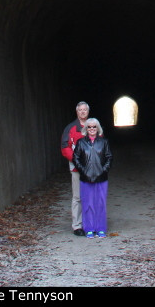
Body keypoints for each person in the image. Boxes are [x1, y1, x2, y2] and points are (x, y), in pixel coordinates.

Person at [71, 117, 112, 238]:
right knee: (88, 203)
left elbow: (109, 157)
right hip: (86, 178)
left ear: (98, 128)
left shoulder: (104, 142)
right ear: (86, 129)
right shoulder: (81, 142)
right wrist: (83, 171)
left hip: (101, 178)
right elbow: (76, 158)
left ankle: (100, 228)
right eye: (89, 127)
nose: (92, 129)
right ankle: (89, 228)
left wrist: (103, 170)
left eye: (94, 127)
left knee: (100, 203)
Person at [60, 101, 90, 236]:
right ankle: (77, 226)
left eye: (85, 110)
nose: (83, 112)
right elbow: (65, 147)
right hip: (77, 167)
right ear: (77, 112)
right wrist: (77, 161)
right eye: (80, 110)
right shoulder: (71, 128)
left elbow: (101, 143)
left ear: (88, 111)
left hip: (91, 168)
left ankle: (90, 223)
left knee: (91, 196)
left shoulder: (93, 125)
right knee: (77, 196)